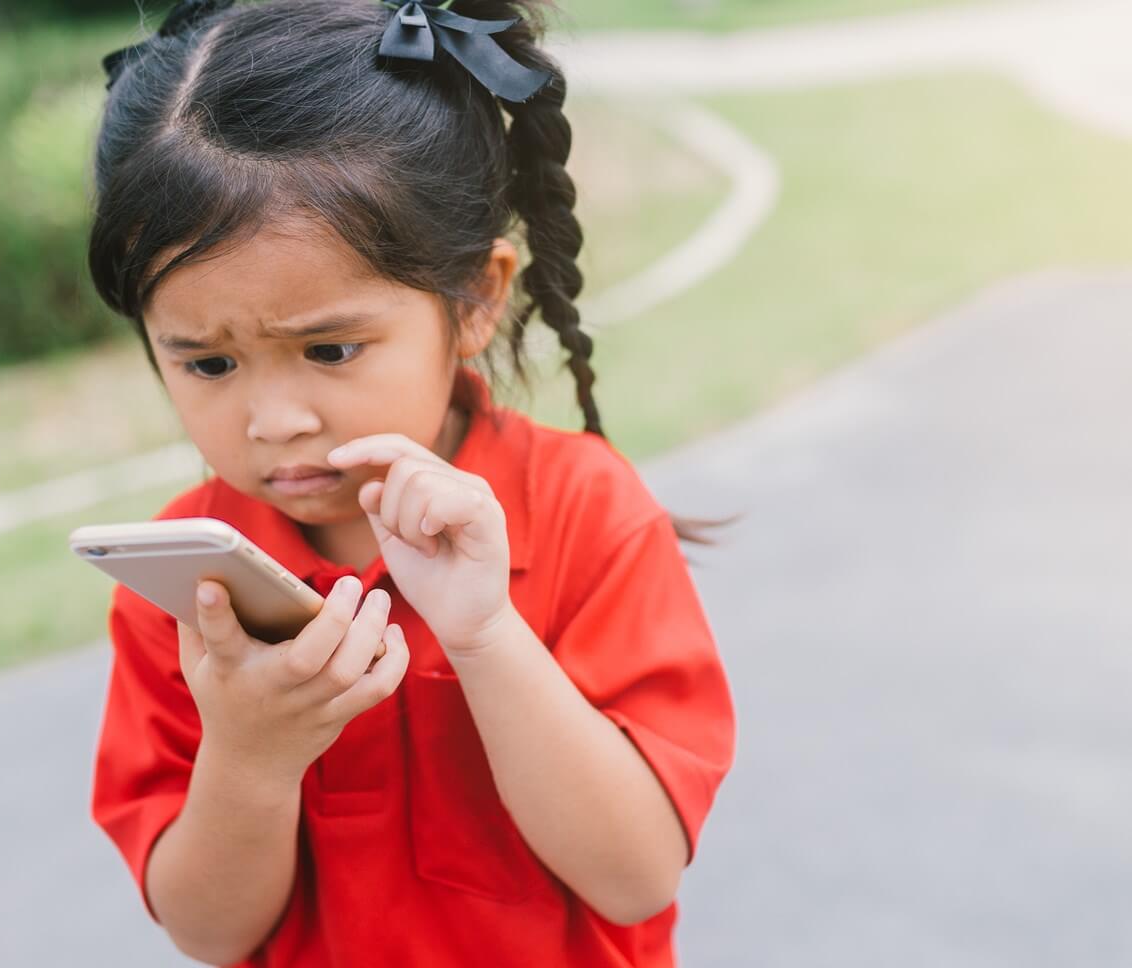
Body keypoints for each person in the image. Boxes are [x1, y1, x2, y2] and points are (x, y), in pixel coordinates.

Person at [84, 1, 736, 965]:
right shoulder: (190, 590)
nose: (275, 421)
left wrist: (483, 635)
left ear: (475, 299)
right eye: (207, 364)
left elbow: (637, 875)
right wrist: (251, 758)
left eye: (331, 347)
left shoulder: (583, 511)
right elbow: (209, 933)